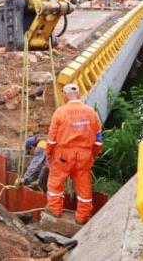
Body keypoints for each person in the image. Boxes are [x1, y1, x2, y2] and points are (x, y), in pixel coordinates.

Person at [45, 83, 103, 225]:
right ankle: (82, 216)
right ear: (79, 94)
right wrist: (93, 155)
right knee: (84, 187)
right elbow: (99, 139)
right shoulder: (91, 112)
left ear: (65, 95)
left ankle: (55, 210)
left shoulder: (60, 112)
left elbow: (52, 139)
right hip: (84, 155)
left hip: (64, 155)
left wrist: (49, 154)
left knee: (56, 183)